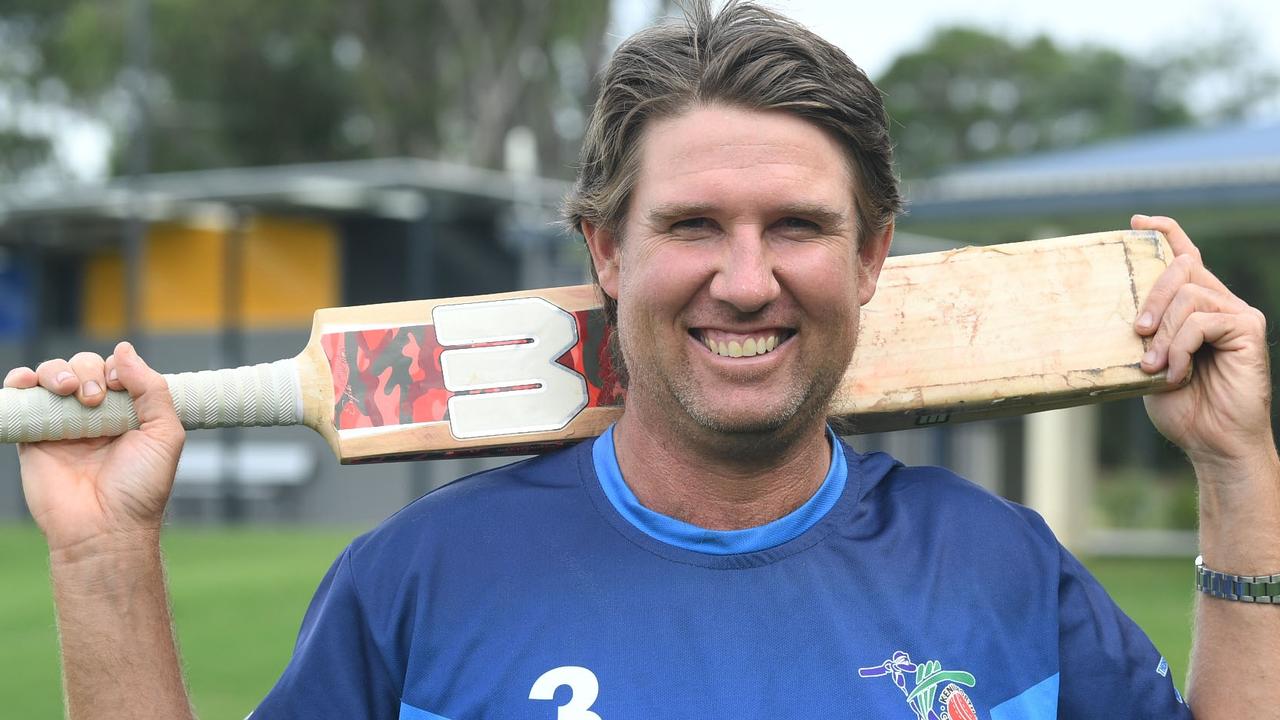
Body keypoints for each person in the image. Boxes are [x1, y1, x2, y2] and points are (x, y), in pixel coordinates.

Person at [9, 2, 1278, 718]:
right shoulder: (412, 586)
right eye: (690, 226)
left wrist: (1238, 478)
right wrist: (103, 558)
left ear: (873, 252)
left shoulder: (1004, 573)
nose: (744, 278)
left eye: (795, 226)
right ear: (604, 251)